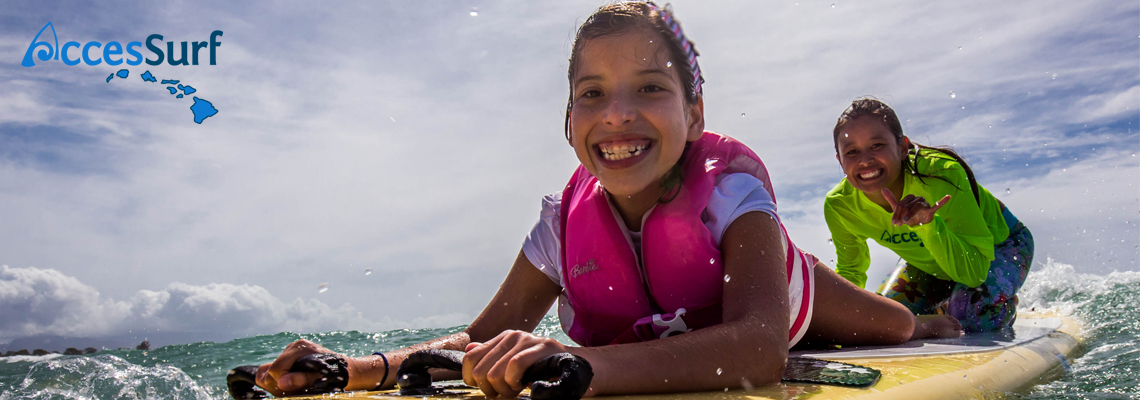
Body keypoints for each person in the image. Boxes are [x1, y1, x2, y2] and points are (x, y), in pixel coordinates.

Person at [254, 4, 960, 398]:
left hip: (787, 290)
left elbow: (759, 349)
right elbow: (478, 337)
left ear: (694, 113)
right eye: (592, 94)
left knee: (895, 327)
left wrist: (586, 366)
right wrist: (363, 368)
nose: (618, 113)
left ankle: (937, 319)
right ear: (569, 122)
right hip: (689, 323)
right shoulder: (560, 226)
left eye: (650, 87)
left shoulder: (732, 192)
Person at [824, 98, 1034, 332]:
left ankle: (998, 303)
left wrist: (927, 225)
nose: (865, 160)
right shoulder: (840, 205)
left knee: (971, 315)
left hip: (1000, 246)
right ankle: (947, 306)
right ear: (840, 160)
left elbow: (974, 273)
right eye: (852, 151)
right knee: (886, 319)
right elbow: (851, 272)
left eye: (877, 145)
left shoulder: (940, 175)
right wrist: (838, 323)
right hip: (929, 263)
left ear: (902, 148)